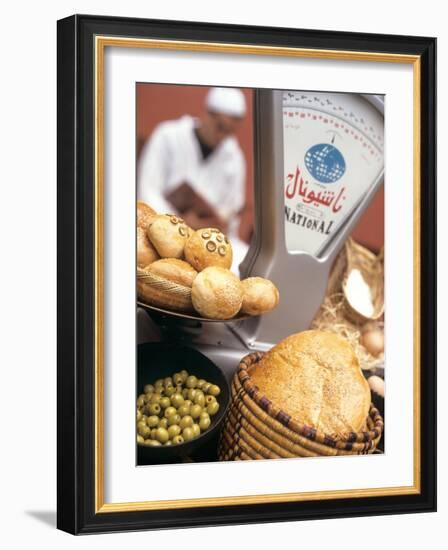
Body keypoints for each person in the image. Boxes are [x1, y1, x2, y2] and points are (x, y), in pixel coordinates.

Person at [137, 87, 249, 271]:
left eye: (229, 131)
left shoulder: (234, 157)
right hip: (163, 229)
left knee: (245, 261)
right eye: (220, 127)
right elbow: (147, 190)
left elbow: (231, 211)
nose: (222, 136)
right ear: (207, 114)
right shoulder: (168, 135)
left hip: (207, 241)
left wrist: (208, 224)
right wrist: (181, 221)